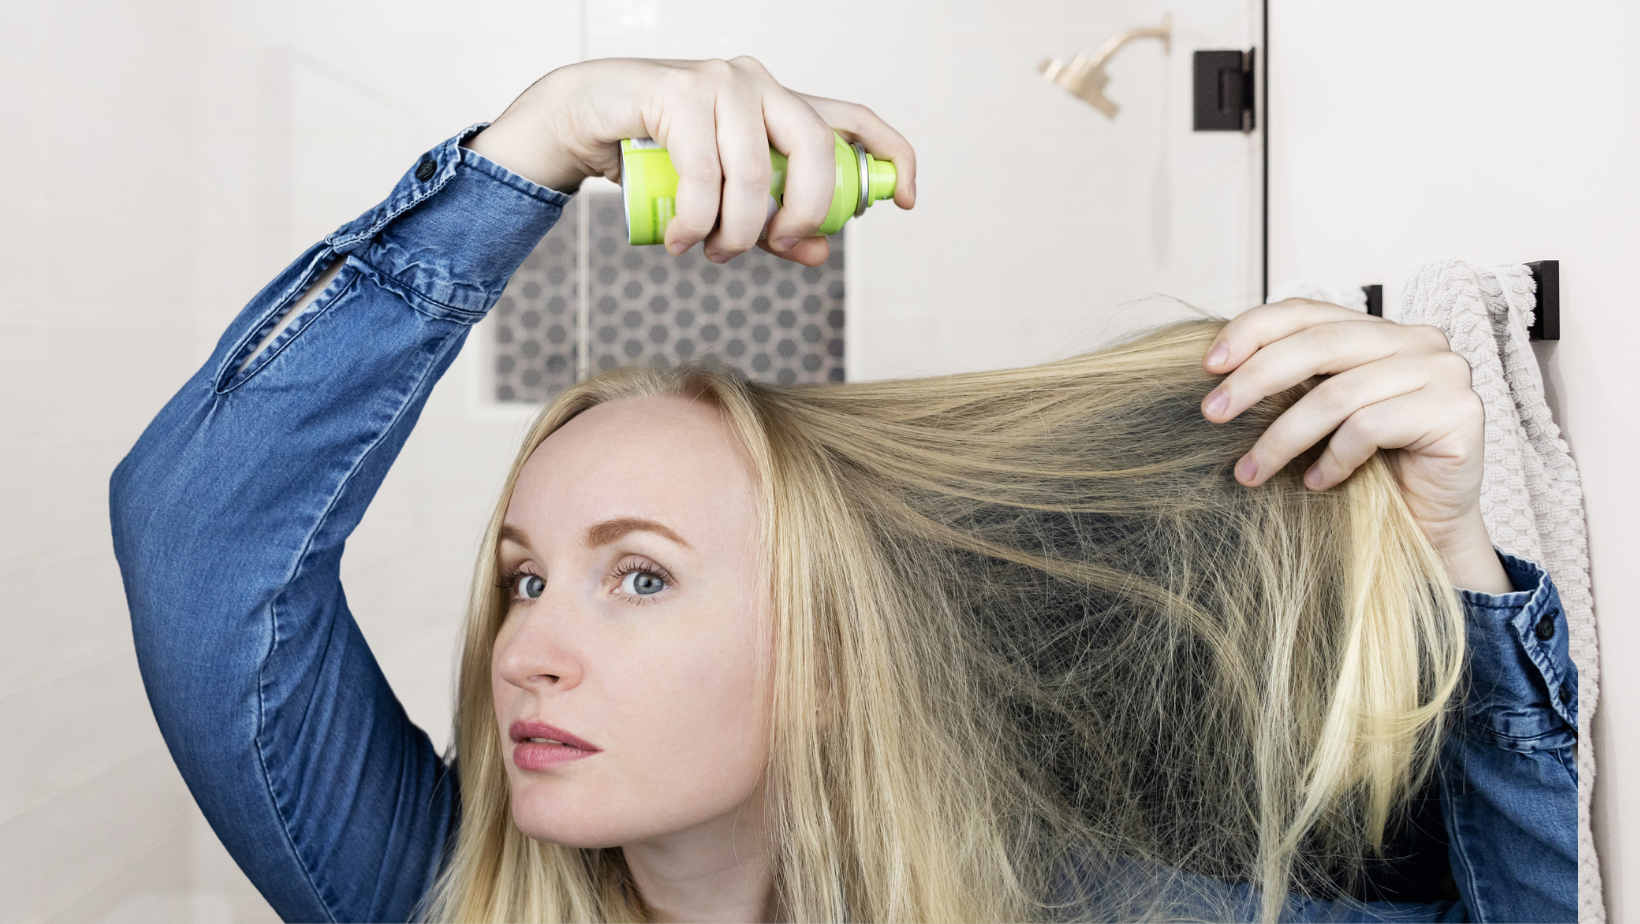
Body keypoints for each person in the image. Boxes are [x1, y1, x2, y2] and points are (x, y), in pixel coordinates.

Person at [110, 57, 1577, 923]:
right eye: (525, 575)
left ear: (827, 661)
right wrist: (538, 139)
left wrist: (1451, 561)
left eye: (641, 575)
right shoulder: (446, 894)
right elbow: (199, 534)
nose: (526, 648)